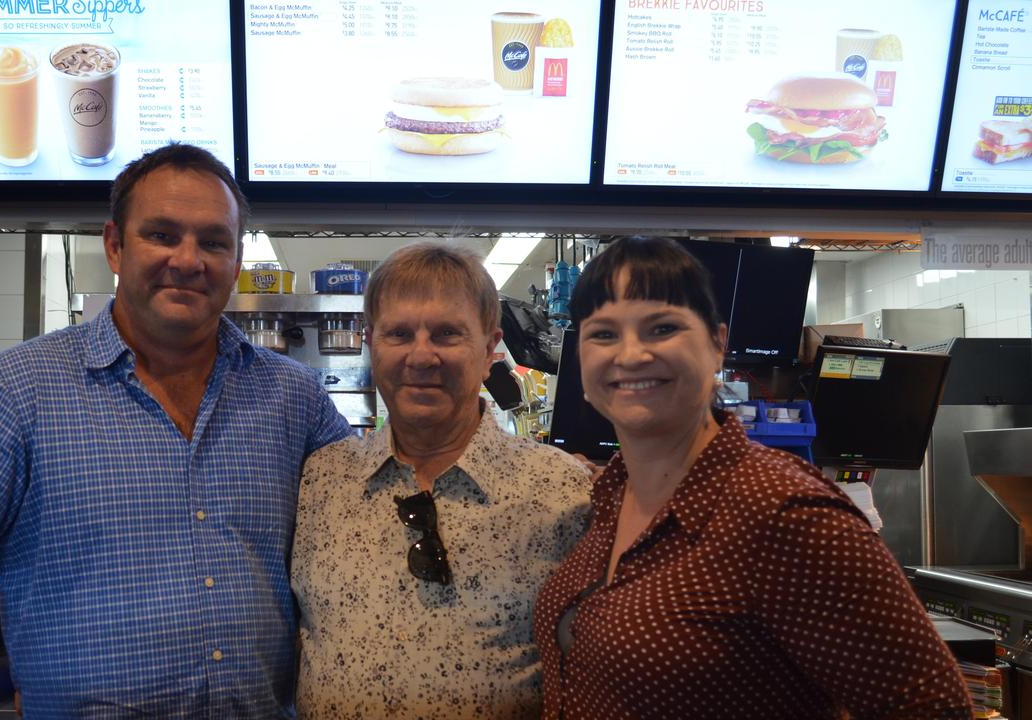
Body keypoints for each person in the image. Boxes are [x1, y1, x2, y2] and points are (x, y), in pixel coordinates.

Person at [0, 143, 352, 718]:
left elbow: (378, 518)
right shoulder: (18, 390)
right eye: (163, 235)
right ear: (115, 245)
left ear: (236, 258)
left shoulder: (294, 398)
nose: (189, 260)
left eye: (213, 241)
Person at [533, 236, 970, 719]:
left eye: (662, 327)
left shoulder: (784, 512)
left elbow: (931, 707)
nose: (631, 354)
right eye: (603, 333)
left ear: (717, 345)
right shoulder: (611, 496)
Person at [291, 242, 592, 719]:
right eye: (400, 333)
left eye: (448, 334)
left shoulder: (562, 492)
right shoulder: (319, 482)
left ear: (491, 348)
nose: (422, 355)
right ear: (371, 342)